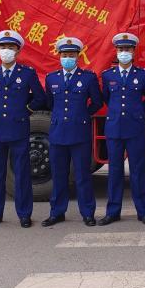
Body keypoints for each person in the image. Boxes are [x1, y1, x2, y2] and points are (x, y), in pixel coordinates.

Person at [0, 30, 46, 229]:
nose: (6, 50)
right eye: (3, 47)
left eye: (10, 47)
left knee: (22, 173)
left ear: (18, 51)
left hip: (19, 129)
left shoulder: (27, 73)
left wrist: (25, 111)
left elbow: (40, 97)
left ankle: (24, 214)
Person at [42, 37, 103, 227]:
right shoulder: (51, 78)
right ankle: (57, 212)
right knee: (58, 175)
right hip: (58, 133)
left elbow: (97, 102)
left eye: (71, 54)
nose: (67, 58)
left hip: (79, 133)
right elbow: (50, 103)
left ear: (78, 56)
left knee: (82, 175)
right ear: (59, 56)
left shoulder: (88, 78)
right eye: (64, 54)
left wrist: (83, 114)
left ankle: (88, 213)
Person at [99, 33, 145, 226]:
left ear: (133, 51)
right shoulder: (108, 75)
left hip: (134, 128)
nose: (124, 52)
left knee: (138, 170)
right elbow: (106, 98)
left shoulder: (142, 75)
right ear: (116, 51)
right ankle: (113, 212)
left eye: (128, 49)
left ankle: (143, 212)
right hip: (114, 128)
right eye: (121, 49)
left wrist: (137, 112)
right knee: (114, 171)